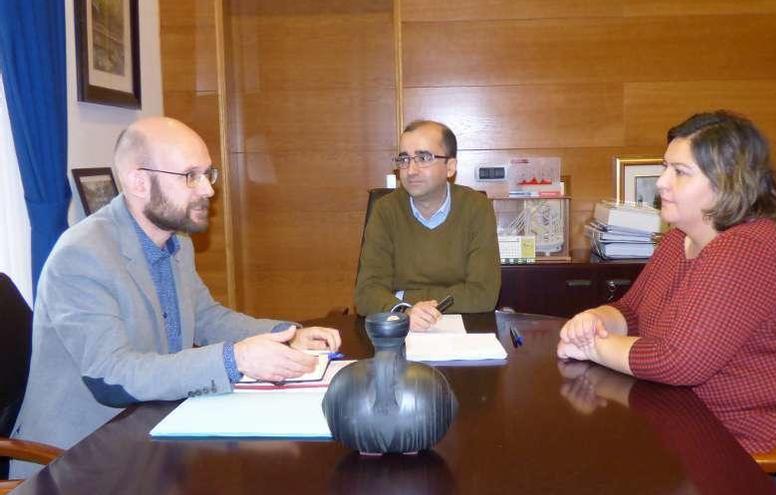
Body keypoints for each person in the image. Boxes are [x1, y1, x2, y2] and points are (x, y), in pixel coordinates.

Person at [11, 117, 341, 477]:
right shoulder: (82, 254)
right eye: (190, 176)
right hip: (75, 458)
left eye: (207, 174)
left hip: (149, 431)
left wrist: (288, 335)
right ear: (139, 181)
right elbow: (111, 377)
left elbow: (206, 318)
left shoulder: (175, 240)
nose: (208, 190)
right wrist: (237, 359)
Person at [557, 110, 776, 454]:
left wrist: (591, 347)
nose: (662, 182)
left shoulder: (747, 251)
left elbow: (677, 361)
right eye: (665, 167)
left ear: (728, 181)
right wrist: (596, 320)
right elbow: (633, 312)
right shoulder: (678, 238)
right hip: (695, 422)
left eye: (680, 172)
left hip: (771, 444)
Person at [354, 120, 501, 330]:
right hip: (401, 327)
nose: (411, 170)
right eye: (404, 159)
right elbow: (366, 294)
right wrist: (405, 311)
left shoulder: (476, 208)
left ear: (450, 167)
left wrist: (402, 297)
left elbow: (483, 294)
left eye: (423, 158)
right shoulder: (385, 210)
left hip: (463, 331)